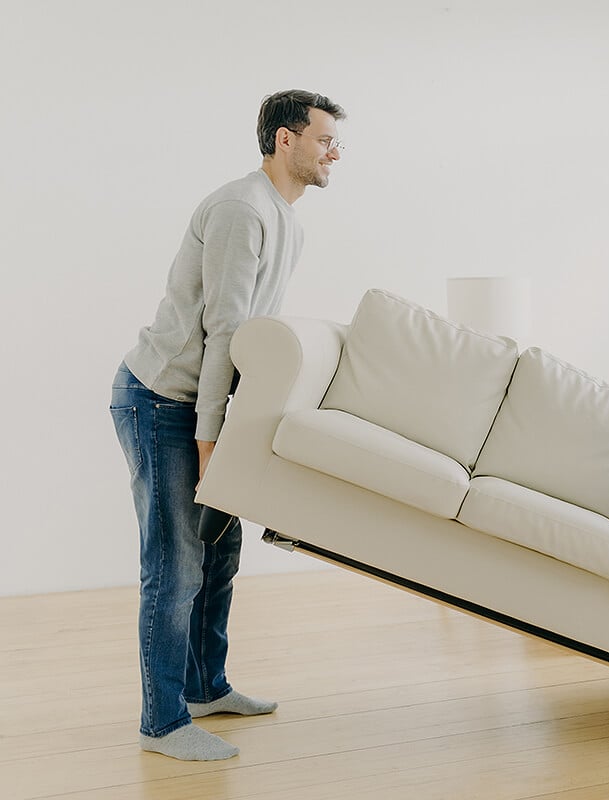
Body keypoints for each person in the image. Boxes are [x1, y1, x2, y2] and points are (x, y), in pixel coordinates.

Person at [110, 89, 346, 761]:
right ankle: (163, 724)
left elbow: (250, 343)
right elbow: (224, 334)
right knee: (175, 567)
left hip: (200, 405)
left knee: (221, 552)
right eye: (325, 139)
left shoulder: (286, 220)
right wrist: (211, 448)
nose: (336, 153)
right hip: (161, 401)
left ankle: (204, 686)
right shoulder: (244, 210)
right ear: (285, 141)